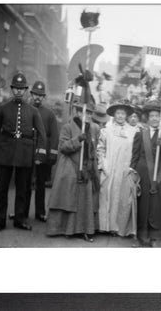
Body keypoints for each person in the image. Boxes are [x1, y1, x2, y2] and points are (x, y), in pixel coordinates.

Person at [0, 73, 47, 232]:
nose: (18, 91)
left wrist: (38, 156)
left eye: (21, 89)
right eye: (16, 88)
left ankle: (20, 219)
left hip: (25, 154)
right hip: (5, 153)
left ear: (25, 91)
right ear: (11, 89)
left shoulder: (32, 111)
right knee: (1, 189)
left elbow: (42, 134)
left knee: (23, 189)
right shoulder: (2, 109)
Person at [46, 101, 100, 242]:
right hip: (70, 168)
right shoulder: (68, 127)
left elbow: (93, 149)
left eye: (89, 113)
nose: (87, 115)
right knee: (70, 199)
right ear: (77, 112)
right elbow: (63, 147)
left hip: (87, 170)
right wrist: (78, 139)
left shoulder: (93, 128)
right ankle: (67, 229)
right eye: (84, 112)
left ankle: (85, 230)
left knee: (85, 200)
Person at [130, 99, 161, 247]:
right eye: (152, 116)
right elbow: (135, 155)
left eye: (157, 116)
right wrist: (132, 172)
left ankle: (157, 237)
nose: (155, 118)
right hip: (143, 173)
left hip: (160, 174)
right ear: (147, 118)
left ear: (160, 118)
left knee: (157, 204)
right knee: (144, 204)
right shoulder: (140, 134)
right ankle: (142, 236)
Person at [97, 99, 138, 237]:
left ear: (127, 115)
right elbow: (100, 149)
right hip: (110, 168)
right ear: (114, 114)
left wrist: (132, 168)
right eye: (118, 113)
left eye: (123, 113)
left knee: (123, 197)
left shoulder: (133, 131)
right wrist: (103, 164)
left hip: (125, 168)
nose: (120, 116)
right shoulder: (106, 130)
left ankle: (120, 228)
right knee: (107, 195)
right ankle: (106, 226)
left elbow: (136, 151)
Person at [24, 81, 59, 222]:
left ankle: (40, 212)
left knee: (40, 185)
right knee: (24, 184)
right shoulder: (25, 110)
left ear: (44, 97)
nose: (37, 97)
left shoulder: (49, 114)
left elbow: (54, 136)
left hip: (42, 156)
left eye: (40, 95)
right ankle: (22, 213)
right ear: (31, 94)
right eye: (35, 94)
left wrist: (52, 155)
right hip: (26, 154)